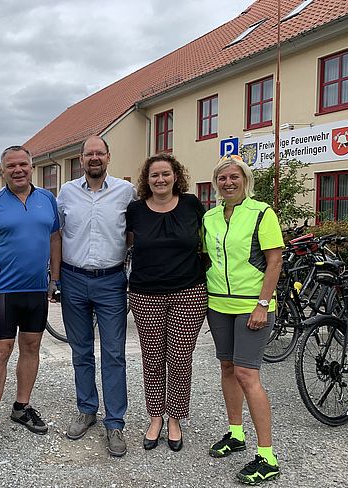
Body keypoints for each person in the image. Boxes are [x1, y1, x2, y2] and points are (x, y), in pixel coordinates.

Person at [0, 145, 61, 452]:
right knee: (0, 351)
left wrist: (55, 279)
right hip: (4, 291)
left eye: (23, 164)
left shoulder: (47, 199)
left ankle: (21, 406)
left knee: (32, 347)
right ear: (3, 170)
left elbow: (55, 239)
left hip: (36, 289)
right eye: (11, 165)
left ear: (31, 166)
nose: (18, 170)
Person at [203, 155, 283, 485]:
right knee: (227, 368)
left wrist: (263, 304)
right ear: (216, 183)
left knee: (248, 374)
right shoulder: (209, 217)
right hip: (218, 304)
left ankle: (267, 456)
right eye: (222, 178)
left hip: (253, 305)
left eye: (234, 177)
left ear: (245, 180)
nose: (228, 183)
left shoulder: (261, 212)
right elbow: (206, 258)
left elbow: (274, 260)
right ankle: (236, 434)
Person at [57, 135, 136, 457]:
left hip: (110, 281)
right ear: (81, 159)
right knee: (81, 350)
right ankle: (87, 409)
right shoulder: (66, 192)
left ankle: (114, 422)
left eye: (99, 153)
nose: (94, 158)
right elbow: (57, 234)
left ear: (108, 157)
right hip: (73, 279)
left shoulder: (125, 192)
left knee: (114, 353)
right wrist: (54, 278)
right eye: (89, 153)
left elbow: (132, 233)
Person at [126, 153, 207, 453]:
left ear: (176, 176)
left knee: (181, 358)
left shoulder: (191, 204)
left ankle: (175, 418)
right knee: (152, 359)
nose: (160, 179)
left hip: (189, 292)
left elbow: (207, 242)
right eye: (154, 175)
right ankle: (155, 417)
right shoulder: (135, 210)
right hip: (146, 294)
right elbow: (125, 245)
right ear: (146, 180)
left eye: (165, 174)